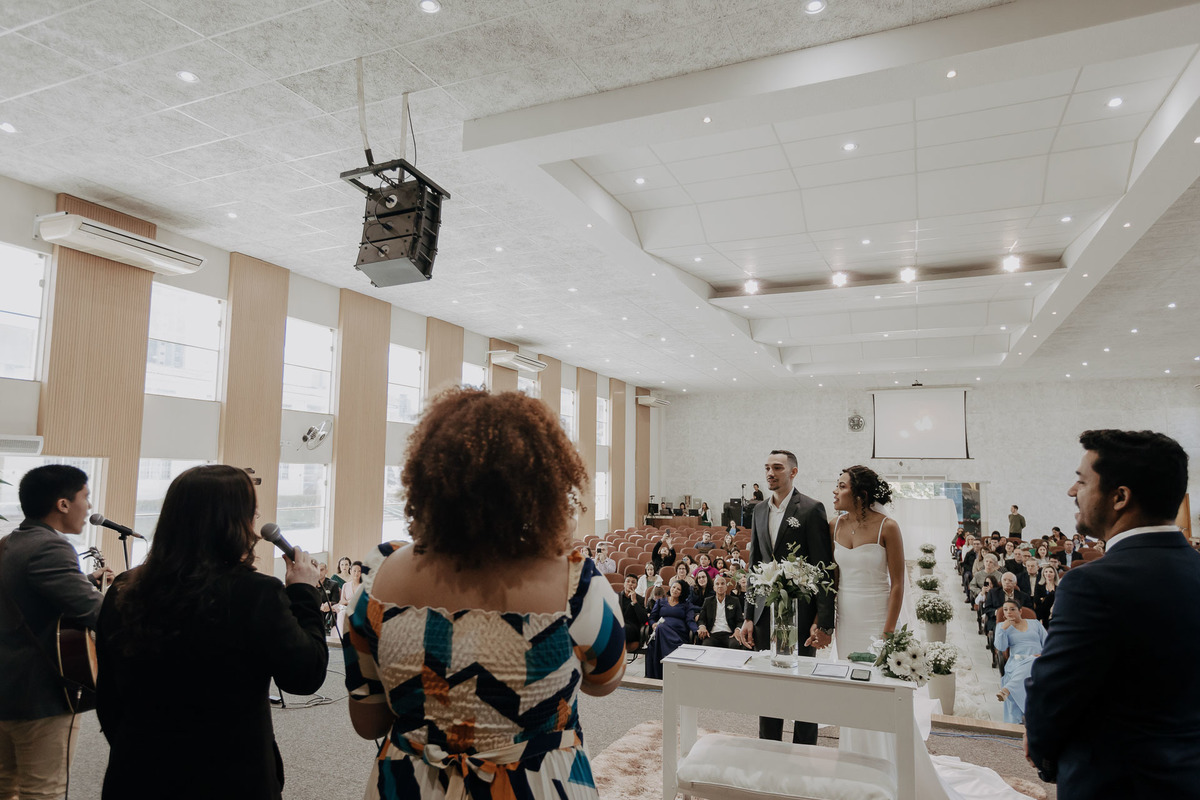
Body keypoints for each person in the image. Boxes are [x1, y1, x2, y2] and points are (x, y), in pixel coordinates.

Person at [342, 388, 625, 800]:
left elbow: (367, 722)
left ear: (430, 479)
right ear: (541, 486)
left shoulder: (378, 574)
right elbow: (605, 682)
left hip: (411, 786)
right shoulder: (573, 583)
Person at [95, 465, 328, 799]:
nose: (256, 528)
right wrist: (305, 593)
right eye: (252, 515)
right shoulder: (255, 592)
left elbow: (109, 696)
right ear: (233, 523)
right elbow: (305, 676)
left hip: (138, 772)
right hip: (232, 777)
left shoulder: (124, 588)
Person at [1025, 430, 1200, 797]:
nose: (1072, 492)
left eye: (1081, 480)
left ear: (1120, 497)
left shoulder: (1091, 584)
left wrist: (1046, 757)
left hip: (1116, 782)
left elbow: (1053, 693)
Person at [0, 465, 109, 800]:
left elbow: (24, 598)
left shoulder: (8, 543)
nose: (88, 507)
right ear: (63, 504)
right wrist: (118, 595)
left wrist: (85, 584)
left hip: (7, 688)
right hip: (41, 693)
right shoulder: (51, 547)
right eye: (85, 497)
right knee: (43, 789)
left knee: (6, 782)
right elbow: (97, 614)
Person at [734, 449, 834, 745]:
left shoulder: (811, 509)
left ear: (793, 472)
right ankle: (769, 748)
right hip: (765, 613)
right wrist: (749, 616)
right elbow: (754, 565)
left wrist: (823, 621)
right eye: (767, 467)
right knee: (769, 687)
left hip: (801, 613)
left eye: (777, 467)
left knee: (804, 688)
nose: (770, 473)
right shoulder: (759, 510)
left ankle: (806, 751)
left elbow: (823, 567)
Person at [994, 600, 1047, 724]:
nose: (1009, 612)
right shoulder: (1001, 627)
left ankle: (1007, 689)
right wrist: (1003, 629)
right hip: (1017, 662)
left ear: (1020, 611)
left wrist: (1044, 655)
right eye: (1005, 610)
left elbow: (1048, 642)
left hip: (1038, 659)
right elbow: (1001, 647)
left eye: (1012, 609)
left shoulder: (1035, 623)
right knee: (1027, 665)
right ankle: (1017, 719)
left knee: (1033, 660)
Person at [645, 579, 697, 679]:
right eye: (673, 587)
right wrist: (653, 625)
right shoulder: (661, 602)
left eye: (678, 589)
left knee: (661, 628)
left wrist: (696, 630)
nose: (675, 590)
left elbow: (690, 620)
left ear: (682, 592)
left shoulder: (686, 605)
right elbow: (652, 618)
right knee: (660, 627)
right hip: (660, 632)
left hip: (679, 633)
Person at [697, 574, 744, 648]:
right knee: (706, 645)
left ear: (726, 587)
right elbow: (701, 619)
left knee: (735, 644)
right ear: (714, 588)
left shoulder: (734, 601)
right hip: (712, 634)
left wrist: (738, 630)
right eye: (717, 584)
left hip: (729, 634)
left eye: (722, 584)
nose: (720, 586)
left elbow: (740, 620)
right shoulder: (708, 601)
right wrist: (702, 627)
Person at [619, 574, 648, 653]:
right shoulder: (616, 596)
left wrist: (635, 602)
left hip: (632, 628)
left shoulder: (640, 600)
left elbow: (644, 619)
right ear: (624, 584)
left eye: (633, 582)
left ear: (636, 585)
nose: (630, 584)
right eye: (628, 581)